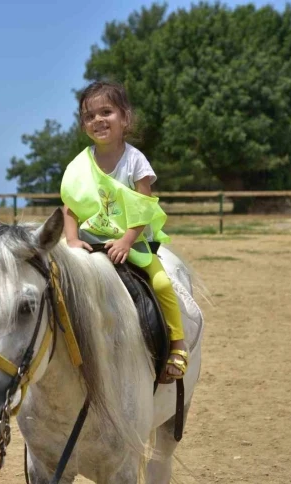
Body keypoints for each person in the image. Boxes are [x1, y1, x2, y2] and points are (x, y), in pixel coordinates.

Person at [60, 81, 188, 383]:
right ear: (83, 125)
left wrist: (127, 239)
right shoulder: (80, 166)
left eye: (106, 112)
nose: (98, 120)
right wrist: (72, 240)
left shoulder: (135, 161)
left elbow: (144, 206)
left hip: (130, 243)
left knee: (161, 282)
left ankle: (178, 345)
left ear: (125, 118)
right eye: (89, 116)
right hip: (89, 245)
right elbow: (70, 207)